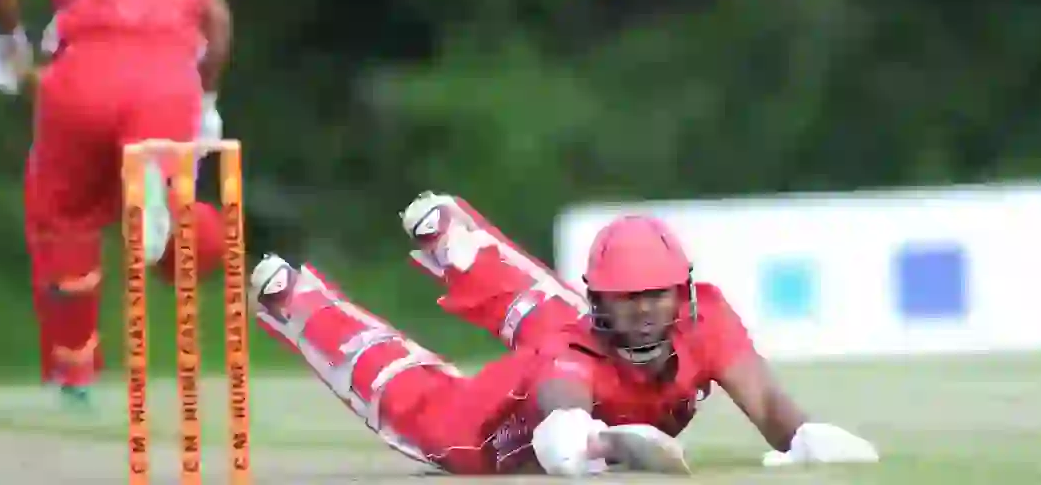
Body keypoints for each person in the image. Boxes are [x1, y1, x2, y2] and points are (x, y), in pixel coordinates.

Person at [249, 192, 880, 475]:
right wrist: (613, 450)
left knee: (543, 303)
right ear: (600, 301)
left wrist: (804, 435)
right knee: (406, 395)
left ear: (682, 291)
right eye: (624, 300)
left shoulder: (706, 316)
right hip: (494, 427)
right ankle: (300, 305)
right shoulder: (572, 350)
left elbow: (767, 402)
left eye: (655, 295)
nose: (642, 313)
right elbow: (562, 435)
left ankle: (457, 244)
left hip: (589, 376)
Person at [0, 0, 232, 406]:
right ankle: (174, 217)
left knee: (63, 219)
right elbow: (216, 23)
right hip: (168, 75)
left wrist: (12, 46)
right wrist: (208, 100)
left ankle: (73, 375)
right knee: (177, 236)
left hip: (83, 70)